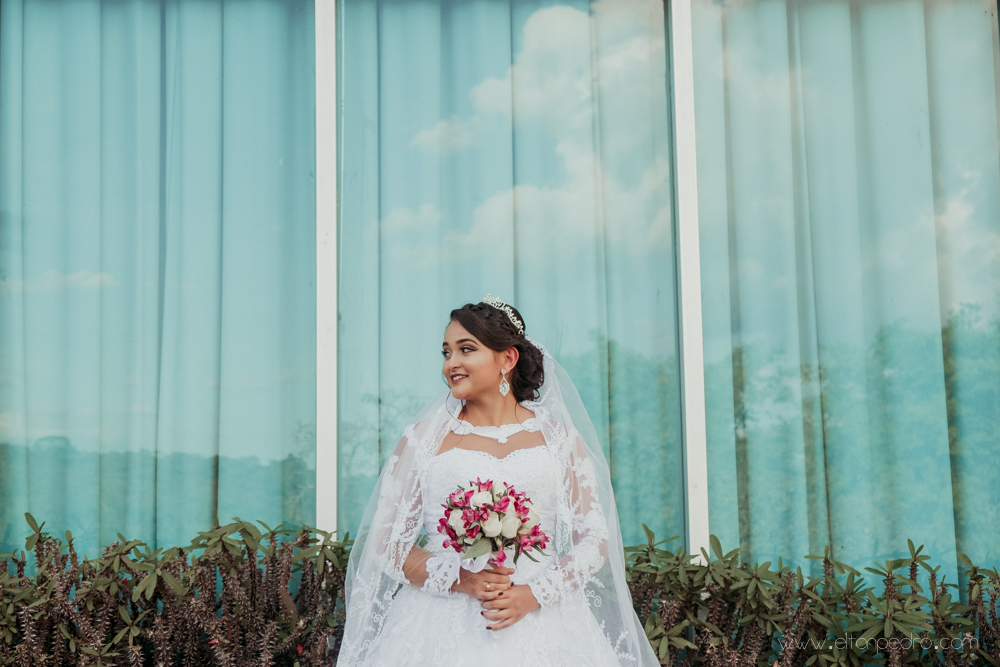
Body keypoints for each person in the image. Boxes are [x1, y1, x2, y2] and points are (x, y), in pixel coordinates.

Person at [337, 295, 660, 666]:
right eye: (446, 353)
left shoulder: (559, 440)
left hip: (546, 623)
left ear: (507, 359)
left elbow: (594, 539)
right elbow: (386, 542)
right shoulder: (422, 439)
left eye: (466, 349)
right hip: (436, 628)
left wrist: (534, 594)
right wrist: (461, 579)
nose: (451, 363)